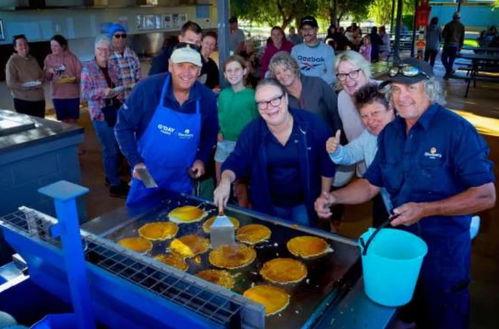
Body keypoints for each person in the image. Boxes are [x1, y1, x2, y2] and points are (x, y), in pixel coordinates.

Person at [315, 58, 496, 329]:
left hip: (443, 251)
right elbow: (370, 184)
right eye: (397, 89)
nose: (402, 96)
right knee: (404, 310)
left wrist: (425, 209)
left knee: (444, 315)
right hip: (400, 246)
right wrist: (334, 197)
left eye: (411, 88)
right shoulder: (391, 133)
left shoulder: (456, 130)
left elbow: (485, 195)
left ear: (430, 89)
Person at [214, 78, 334, 227]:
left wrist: (324, 194)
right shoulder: (252, 132)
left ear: (285, 99)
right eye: (262, 103)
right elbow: (236, 161)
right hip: (268, 204)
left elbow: (327, 164)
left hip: (305, 202)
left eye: (275, 100)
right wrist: (225, 181)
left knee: (305, 240)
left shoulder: (312, 125)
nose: (269, 107)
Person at [115, 44, 218, 205]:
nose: (186, 72)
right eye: (180, 66)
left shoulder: (207, 98)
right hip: (147, 176)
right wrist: (135, 162)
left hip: (182, 178)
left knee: (179, 221)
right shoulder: (147, 89)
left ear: (199, 71)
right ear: (170, 65)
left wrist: (201, 159)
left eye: (192, 67)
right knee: (142, 220)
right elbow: (123, 127)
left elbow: (210, 133)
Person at [326, 83, 394, 226]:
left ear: (391, 108)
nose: (370, 121)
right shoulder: (369, 136)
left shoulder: (408, 136)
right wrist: (336, 150)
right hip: (385, 202)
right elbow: (351, 153)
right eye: (364, 116)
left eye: (375, 113)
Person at [81, 35, 128, 198]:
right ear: (94, 50)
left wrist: (118, 93)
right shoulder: (88, 69)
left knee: (116, 147)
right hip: (100, 115)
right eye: (100, 49)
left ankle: (111, 177)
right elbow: (85, 94)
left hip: (114, 111)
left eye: (106, 49)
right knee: (111, 150)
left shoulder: (113, 65)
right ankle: (115, 186)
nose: (103, 52)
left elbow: (115, 86)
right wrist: (102, 92)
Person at [215, 55, 259, 207]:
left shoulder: (252, 96)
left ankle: (244, 218)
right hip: (222, 143)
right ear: (225, 75)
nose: (233, 74)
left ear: (245, 71)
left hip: (241, 146)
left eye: (237, 70)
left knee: (240, 188)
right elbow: (220, 116)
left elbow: (257, 122)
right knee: (221, 182)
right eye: (229, 71)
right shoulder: (223, 95)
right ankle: (223, 214)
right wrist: (219, 131)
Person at [268, 51, 342, 135]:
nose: (282, 75)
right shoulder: (280, 98)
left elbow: (336, 112)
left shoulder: (317, 84)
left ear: (294, 67)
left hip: (330, 142)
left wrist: (338, 139)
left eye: (285, 69)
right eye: (278, 73)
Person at [43, 34, 82, 124]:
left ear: (63, 46)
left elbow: (80, 75)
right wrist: (49, 71)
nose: (53, 48)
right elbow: (47, 78)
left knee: (73, 121)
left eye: (56, 45)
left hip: (72, 95)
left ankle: (73, 137)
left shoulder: (72, 57)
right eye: (51, 45)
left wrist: (73, 79)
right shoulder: (49, 58)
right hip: (57, 95)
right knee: (63, 122)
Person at [5, 34, 45, 118]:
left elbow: (41, 75)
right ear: (15, 48)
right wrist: (27, 87)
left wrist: (40, 80)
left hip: (39, 99)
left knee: (42, 127)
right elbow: (10, 83)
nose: (24, 46)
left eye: (25, 44)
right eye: (20, 45)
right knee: (30, 128)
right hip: (23, 101)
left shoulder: (33, 59)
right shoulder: (12, 61)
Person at [291, 16, 336, 86]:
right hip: (301, 89)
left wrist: (311, 84)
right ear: (301, 31)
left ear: (316, 29)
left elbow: (332, 75)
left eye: (310, 28)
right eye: (304, 29)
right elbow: (292, 72)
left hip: (321, 89)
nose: (307, 32)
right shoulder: (296, 50)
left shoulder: (328, 50)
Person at [108, 23, 141, 99]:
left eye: (123, 36)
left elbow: (139, 77)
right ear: (111, 38)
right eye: (117, 36)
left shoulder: (132, 54)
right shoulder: (107, 57)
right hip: (116, 100)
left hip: (132, 98)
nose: (121, 39)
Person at [442, 12, 465, 79]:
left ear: (453, 17)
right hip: (455, 46)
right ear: (459, 18)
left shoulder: (448, 25)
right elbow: (462, 37)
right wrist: (460, 46)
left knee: (444, 59)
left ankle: (448, 72)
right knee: (451, 60)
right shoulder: (461, 26)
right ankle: (449, 71)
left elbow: (443, 35)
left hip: (447, 45)